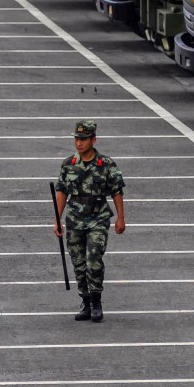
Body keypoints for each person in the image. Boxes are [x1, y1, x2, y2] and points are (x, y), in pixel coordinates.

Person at [53, 120, 126, 322]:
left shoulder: (106, 164)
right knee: (79, 263)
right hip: (75, 219)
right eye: (77, 139)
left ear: (93, 140)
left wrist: (121, 218)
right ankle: (85, 301)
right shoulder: (69, 164)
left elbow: (117, 191)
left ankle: (96, 302)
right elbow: (61, 192)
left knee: (94, 260)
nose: (79, 143)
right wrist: (57, 220)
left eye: (84, 139)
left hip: (98, 218)